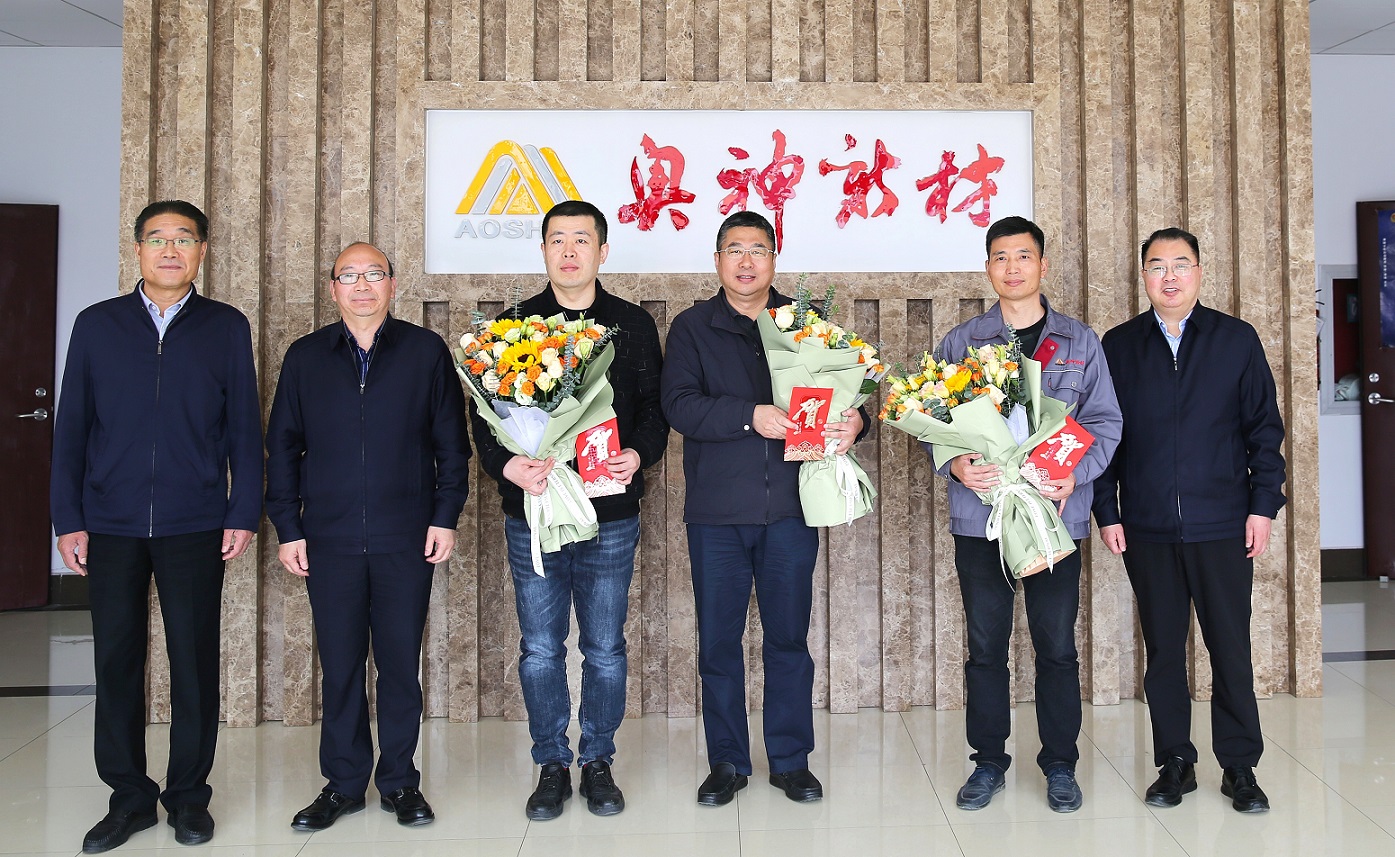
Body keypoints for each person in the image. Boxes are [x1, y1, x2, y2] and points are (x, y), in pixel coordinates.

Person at [50, 200, 262, 852]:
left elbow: (243, 426)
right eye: (158, 239)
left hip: (194, 520)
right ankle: (129, 797)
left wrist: (243, 510)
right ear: (138, 249)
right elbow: (72, 427)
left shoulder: (225, 326)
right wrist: (68, 517)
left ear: (202, 251)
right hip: (109, 522)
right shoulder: (97, 324)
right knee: (117, 660)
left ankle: (188, 797)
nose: (170, 250)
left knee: (193, 660)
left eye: (184, 239)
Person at [470, 200, 669, 820]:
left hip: (610, 511)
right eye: (557, 240)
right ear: (543, 251)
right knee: (540, 647)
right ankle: (551, 763)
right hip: (534, 510)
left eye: (582, 240)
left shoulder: (632, 325)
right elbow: (483, 420)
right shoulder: (513, 327)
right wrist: (507, 466)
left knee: (604, 647)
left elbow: (655, 410)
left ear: (603, 251)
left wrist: (638, 454)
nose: (569, 251)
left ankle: (598, 760)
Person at [661, 211, 866, 807]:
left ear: (774, 260)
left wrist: (857, 422)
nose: (746, 261)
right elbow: (679, 406)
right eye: (734, 249)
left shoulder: (806, 324)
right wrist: (749, 415)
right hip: (717, 515)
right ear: (717, 261)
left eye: (758, 249)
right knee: (719, 644)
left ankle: (790, 760)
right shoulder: (693, 327)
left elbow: (851, 393)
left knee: (788, 641)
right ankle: (727, 761)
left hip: (792, 513)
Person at [265, 242, 471, 831]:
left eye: (373, 274)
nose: (362, 286)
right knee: (341, 666)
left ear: (392, 284)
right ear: (333, 288)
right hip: (327, 538)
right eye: (349, 276)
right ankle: (343, 783)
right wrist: (288, 527)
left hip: (406, 536)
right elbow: (282, 447)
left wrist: (445, 515)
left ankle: (401, 781)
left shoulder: (425, 352)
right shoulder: (305, 357)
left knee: (400, 666)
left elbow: (451, 444)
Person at [928, 215, 1121, 813]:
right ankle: (988, 761)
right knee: (985, 645)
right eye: (1001, 258)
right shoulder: (962, 342)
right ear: (988, 267)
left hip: (1053, 518)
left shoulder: (1079, 342)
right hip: (981, 517)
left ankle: (1060, 764)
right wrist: (956, 465)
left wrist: (1075, 474)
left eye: (1024, 256)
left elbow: (1105, 421)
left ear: (1042, 264)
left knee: (1056, 644)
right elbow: (933, 420)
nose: (1012, 268)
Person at [1092, 227, 1285, 813]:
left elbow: (1264, 431)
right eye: (1157, 266)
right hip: (1146, 526)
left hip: (1223, 522)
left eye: (1181, 264)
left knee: (1230, 647)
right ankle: (1175, 761)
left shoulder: (1235, 339)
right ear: (1143, 276)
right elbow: (1104, 434)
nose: (1169, 276)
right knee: (1163, 652)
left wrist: (1262, 506)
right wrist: (1107, 510)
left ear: (1199, 272)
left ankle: (1240, 766)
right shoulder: (1119, 345)